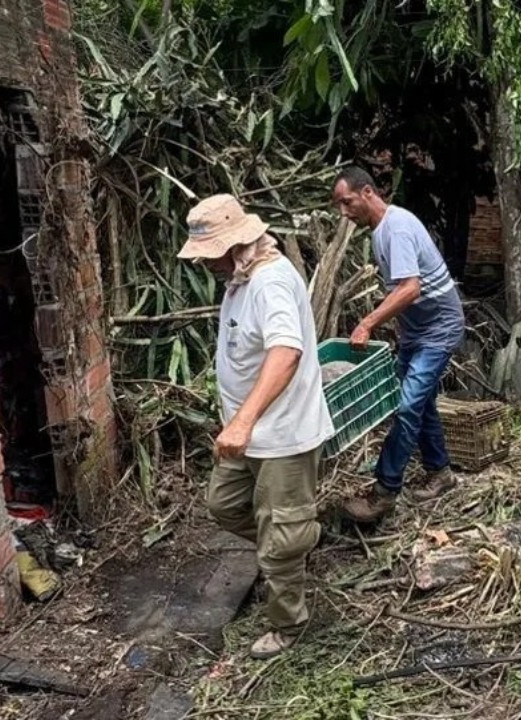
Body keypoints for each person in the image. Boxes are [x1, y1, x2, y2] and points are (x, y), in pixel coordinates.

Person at [178, 194, 334, 659]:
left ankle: (290, 624)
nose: (205, 264)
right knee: (225, 504)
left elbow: (286, 352)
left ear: (237, 243)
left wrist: (242, 421)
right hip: (249, 433)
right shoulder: (239, 277)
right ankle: (294, 543)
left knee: (280, 540)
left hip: (281, 435)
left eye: (210, 254)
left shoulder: (269, 282)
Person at [330, 166, 465, 523]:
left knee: (406, 408)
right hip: (417, 332)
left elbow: (410, 288)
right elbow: (400, 293)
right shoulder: (380, 231)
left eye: (347, 202)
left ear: (368, 193)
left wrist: (367, 323)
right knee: (420, 405)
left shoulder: (397, 229)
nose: (344, 212)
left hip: (438, 330)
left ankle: (383, 494)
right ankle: (441, 473)